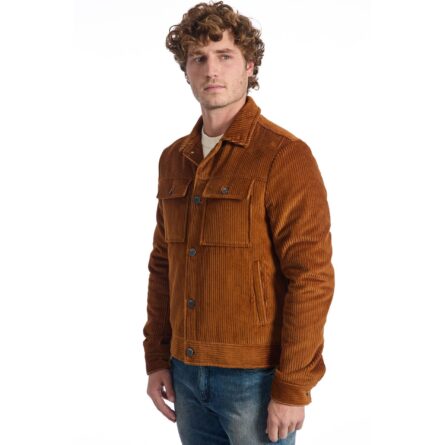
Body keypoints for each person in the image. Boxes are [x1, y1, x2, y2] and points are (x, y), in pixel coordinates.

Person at [143, 2, 335, 443]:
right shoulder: (174, 159)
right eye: (198, 58)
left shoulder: (284, 156)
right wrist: (157, 357)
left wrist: (293, 386)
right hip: (184, 371)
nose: (211, 69)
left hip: (254, 379)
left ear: (249, 66)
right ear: (186, 70)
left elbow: (311, 277)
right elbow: (163, 265)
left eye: (224, 55)